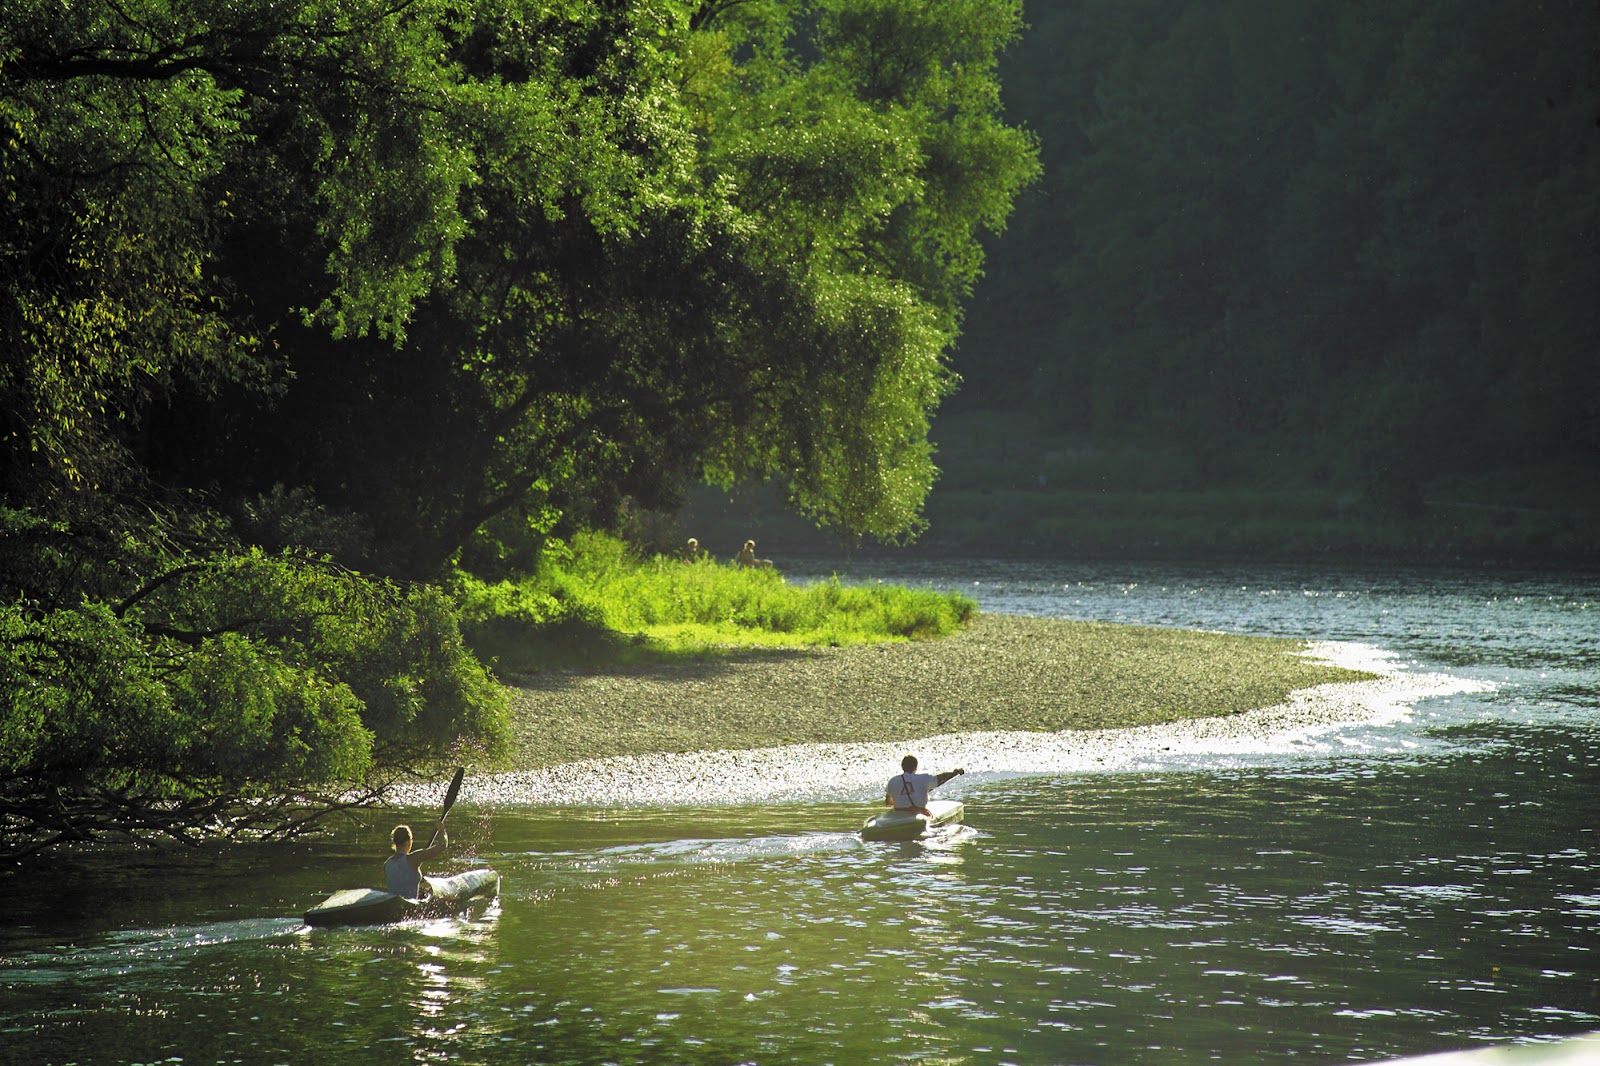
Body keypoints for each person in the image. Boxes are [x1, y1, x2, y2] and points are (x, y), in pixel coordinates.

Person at [385, 817, 449, 898]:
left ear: (394, 842)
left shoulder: (388, 863)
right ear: (409, 841)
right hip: (409, 904)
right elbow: (442, 845)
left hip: (393, 901)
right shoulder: (414, 858)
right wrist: (442, 830)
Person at [885, 755, 965, 817]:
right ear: (915, 767)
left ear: (902, 767)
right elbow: (941, 778)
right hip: (919, 813)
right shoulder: (923, 778)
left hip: (898, 814)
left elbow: (888, 802)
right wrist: (956, 773)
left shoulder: (893, 781)